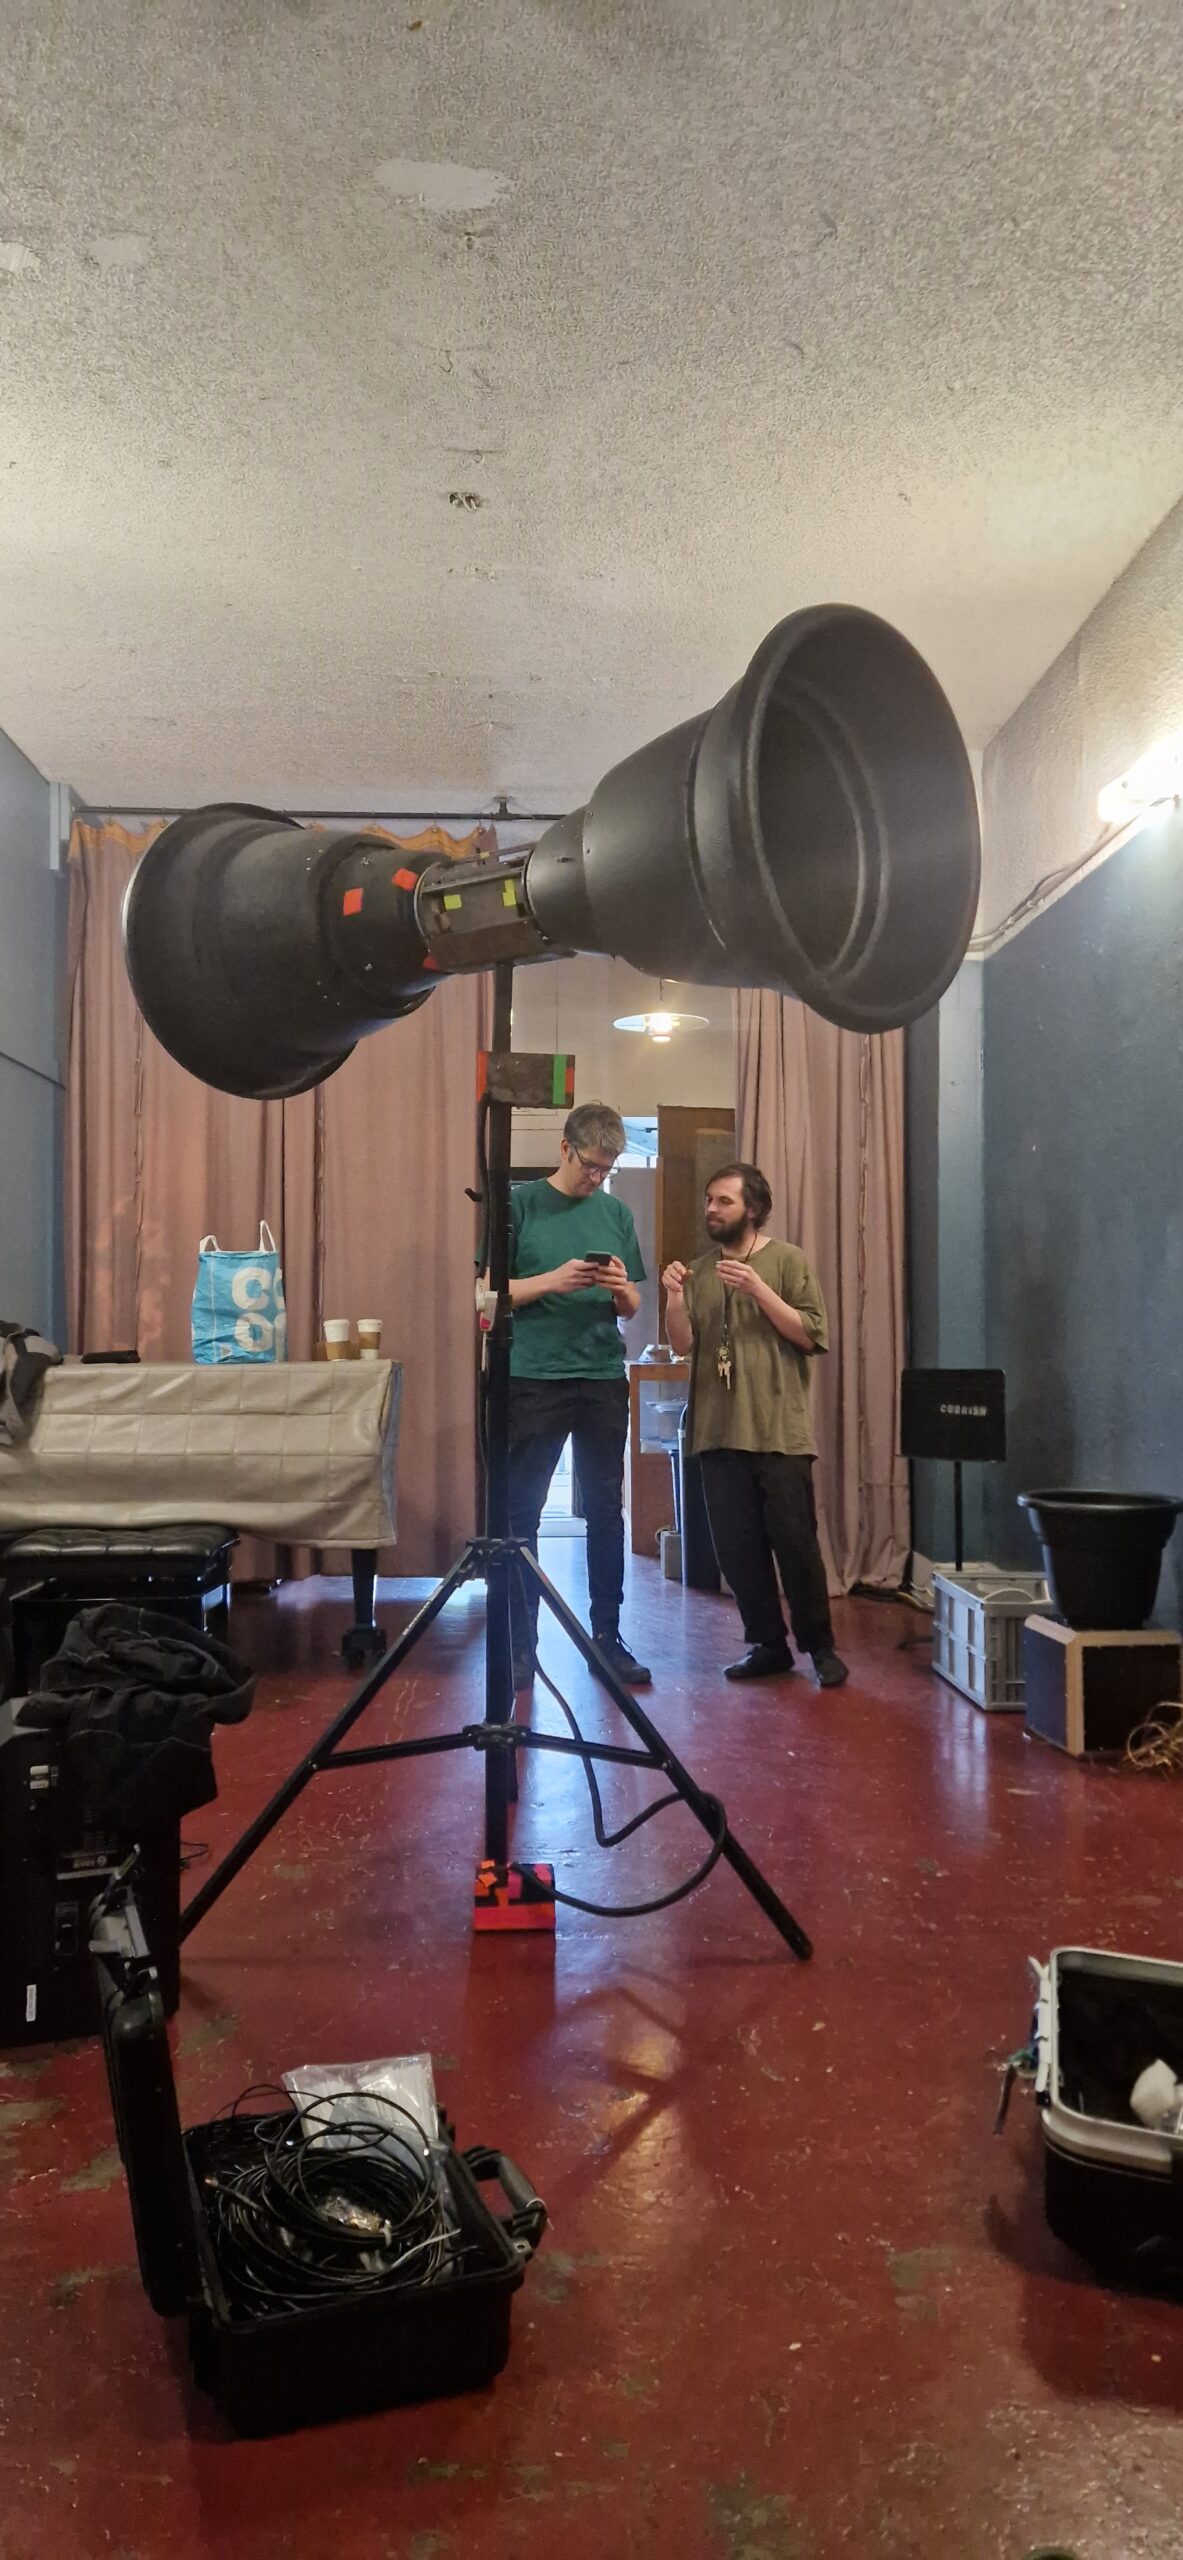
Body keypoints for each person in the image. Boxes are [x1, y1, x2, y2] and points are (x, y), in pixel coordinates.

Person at [662, 1163, 849, 1690]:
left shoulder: (787, 1260)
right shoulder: (699, 1271)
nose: (711, 1209)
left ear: (754, 1209)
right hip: (716, 1432)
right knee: (738, 1550)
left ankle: (820, 1648)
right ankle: (768, 1645)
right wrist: (673, 1297)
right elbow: (683, 1344)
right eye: (709, 1199)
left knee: (796, 1545)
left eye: (723, 1200)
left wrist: (760, 1290)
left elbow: (811, 1335)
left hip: (778, 1432)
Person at [506, 1101, 650, 1691]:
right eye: (590, 1165)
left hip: (600, 1375)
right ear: (564, 1148)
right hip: (534, 1376)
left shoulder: (615, 1214)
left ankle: (606, 1637)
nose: (596, 1177)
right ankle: (521, 1644)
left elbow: (632, 1307)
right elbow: (486, 1293)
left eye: (606, 1169)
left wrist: (619, 1288)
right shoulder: (520, 1205)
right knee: (523, 1511)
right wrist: (554, 1281)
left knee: (605, 1511)